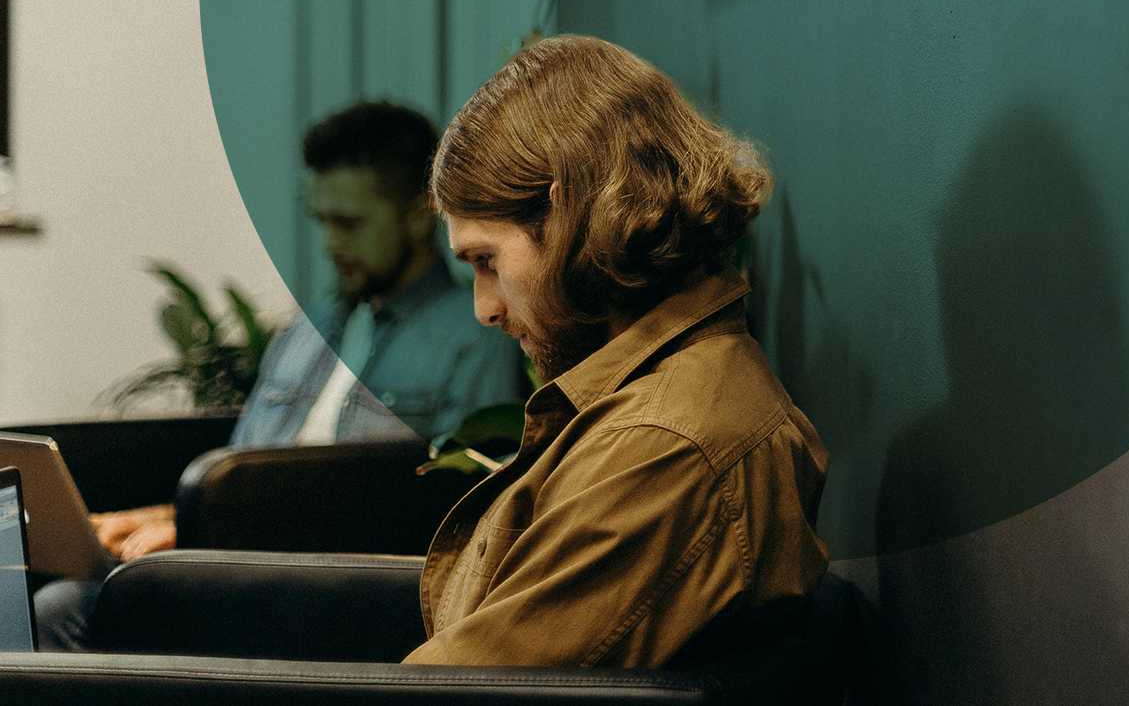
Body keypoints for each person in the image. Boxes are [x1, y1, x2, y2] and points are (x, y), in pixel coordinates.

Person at [402, 35, 829, 668]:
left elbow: (457, 692)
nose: (484, 308)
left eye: (486, 261)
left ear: (570, 211)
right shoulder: (649, 402)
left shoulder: (665, 446)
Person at [36, 101, 523, 650]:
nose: (332, 244)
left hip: (332, 586)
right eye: (323, 222)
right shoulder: (309, 326)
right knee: (46, 579)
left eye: (350, 223)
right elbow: (250, 469)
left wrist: (213, 534)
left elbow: (458, 506)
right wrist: (171, 518)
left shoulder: (475, 334)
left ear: (416, 213)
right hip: (227, 561)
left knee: (63, 610)